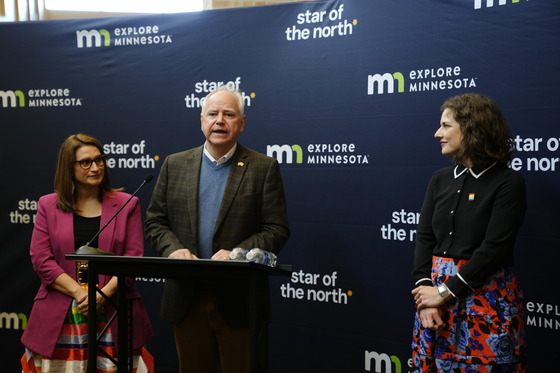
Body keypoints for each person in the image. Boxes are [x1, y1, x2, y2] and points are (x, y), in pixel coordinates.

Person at [144, 85, 290, 373]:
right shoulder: (175, 164)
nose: (219, 120)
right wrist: (173, 250)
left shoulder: (263, 167)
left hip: (239, 300)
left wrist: (239, 253)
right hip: (186, 297)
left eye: (229, 114)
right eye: (212, 114)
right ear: (201, 120)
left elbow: (277, 228)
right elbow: (155, 221)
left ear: (242, 123)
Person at [410, 94, 528, 372]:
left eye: (446, 125)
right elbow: (425, 238)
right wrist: (427, 298)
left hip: (486, 300)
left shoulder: (509, 182)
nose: (438, 133)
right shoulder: (439, 179)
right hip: (433, 302)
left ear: (472, 128)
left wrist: (446, 292)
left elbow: (495, 248)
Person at [21, 134, 154, 373]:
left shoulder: (127, 204)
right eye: (86, 162)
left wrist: (102, 295)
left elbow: (132, 259)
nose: (95, 167)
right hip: (62, 313)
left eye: (100, 159)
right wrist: (80, 294)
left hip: (114, 310)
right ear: (68, 168)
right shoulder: (47, 205)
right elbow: (41, 260)